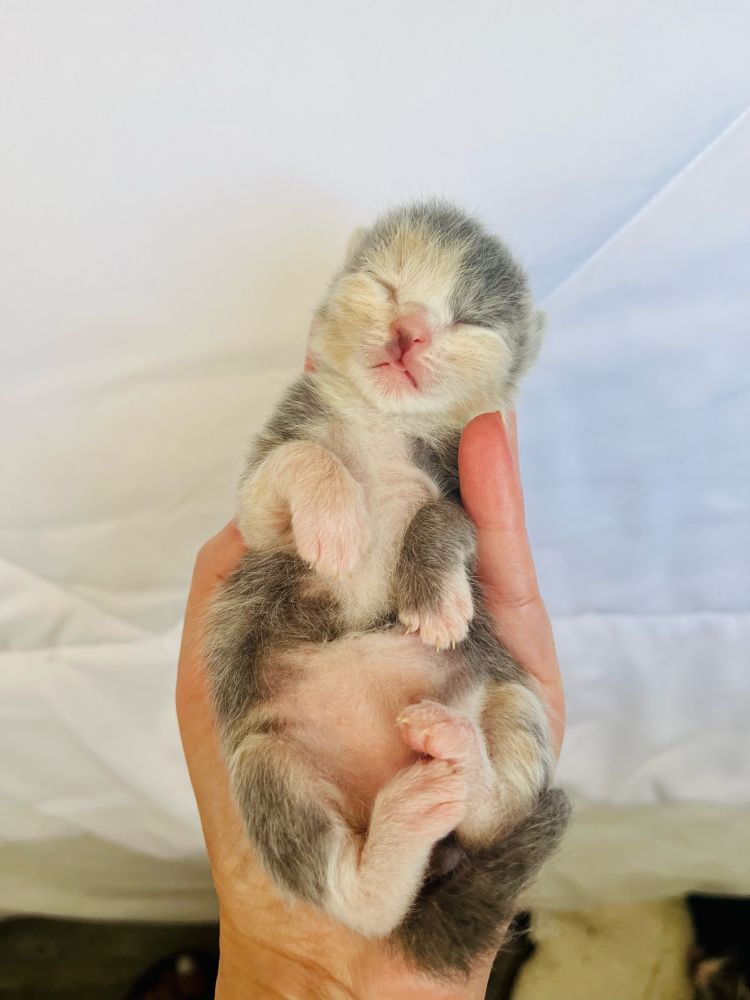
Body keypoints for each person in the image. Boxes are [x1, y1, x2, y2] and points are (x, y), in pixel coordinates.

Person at [176, 412, 565, 1000]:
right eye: (377, 311)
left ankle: (485, 803)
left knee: (513, 701)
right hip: (307, 717)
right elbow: (261, 512)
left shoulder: (443, 443)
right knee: (261, 757)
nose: (408, 328)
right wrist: (306, 472)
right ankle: (363, 890)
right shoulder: (312, 413)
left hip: (440, 686)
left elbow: (454, 528)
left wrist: (434, 554)